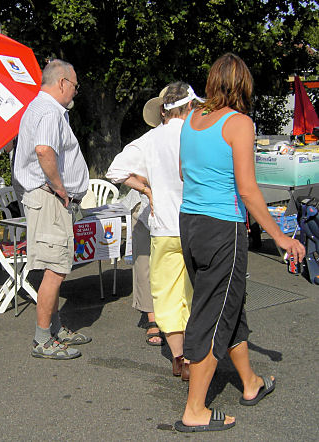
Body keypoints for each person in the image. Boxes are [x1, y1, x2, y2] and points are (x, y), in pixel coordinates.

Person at [175, 53, 306, 432]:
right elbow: (248, 190)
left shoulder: (191, 120)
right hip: (222, 229)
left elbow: (184, 174)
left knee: (227, 304)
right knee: (213, 313)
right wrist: (280, 236)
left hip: (191, 224)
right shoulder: (239, 123)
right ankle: (194, 410)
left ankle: (250, 383)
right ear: (243, 85)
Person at [107, 82, 204, 379]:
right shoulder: (197, 134)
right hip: (196, 225)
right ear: (189, 106)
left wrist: (146, 188)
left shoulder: (149, 139)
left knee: (167, 294)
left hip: (163, 228)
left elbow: (115, 171)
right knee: (196, 293)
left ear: (164, 110)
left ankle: (179, 358)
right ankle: (196, 356)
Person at [13, 59, 91, 360]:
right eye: (75, 86)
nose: (75, 92)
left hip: (48, 198)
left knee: (56, 266)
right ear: (62, 83)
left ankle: (54, 328)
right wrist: (60, 187)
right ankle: (43, 339)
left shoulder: (44, 109)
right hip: (48, 198)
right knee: (55, 269)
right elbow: (44, 150)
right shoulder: (48, 111)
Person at [106, 86, 169, 347]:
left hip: (176, 212)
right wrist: (146, 188)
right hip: (145, 209)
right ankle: (152, 318)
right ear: (162, 112)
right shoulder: (148, 141)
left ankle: (176, 315)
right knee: (145, 263)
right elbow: (117, 171)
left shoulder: (190, 139)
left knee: (173, 263)